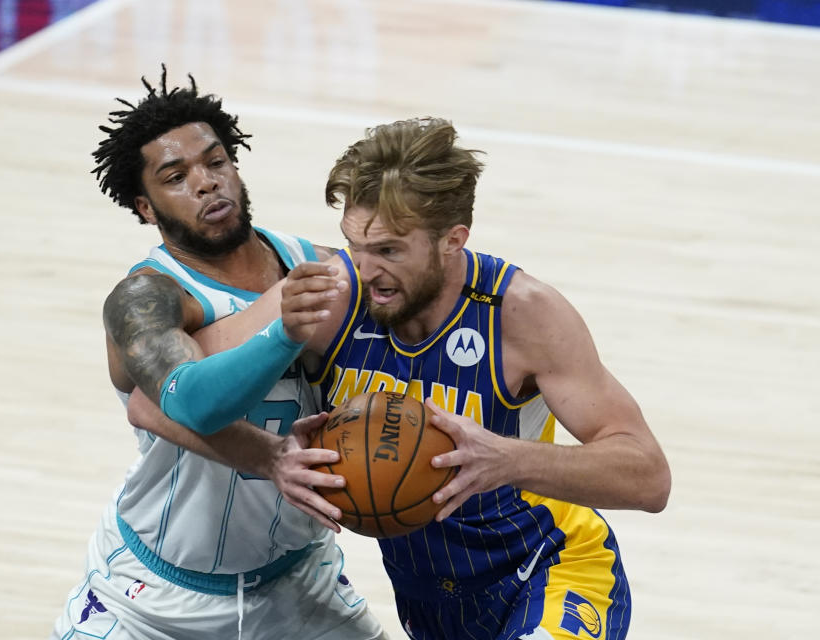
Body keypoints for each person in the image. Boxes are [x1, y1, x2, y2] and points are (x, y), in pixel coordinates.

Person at [190, 117, 671, 640]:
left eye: (390, 250)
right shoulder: (334, 297)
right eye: (354, 243)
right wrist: (269, 454)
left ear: (452, 240)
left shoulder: (522, 314)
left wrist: (508, 459)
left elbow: (649, 476)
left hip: (551, 569)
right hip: (429, 600)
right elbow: (166, 394)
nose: (365, 268)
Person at [49, 67, 386, 640]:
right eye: (176, 177)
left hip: (298, 587)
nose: (207, 183)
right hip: (151, 600)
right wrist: (280, 344)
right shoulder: (146, 299)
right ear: (145, 208)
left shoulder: (321, 265)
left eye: (216, 161)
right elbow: (187, 403)